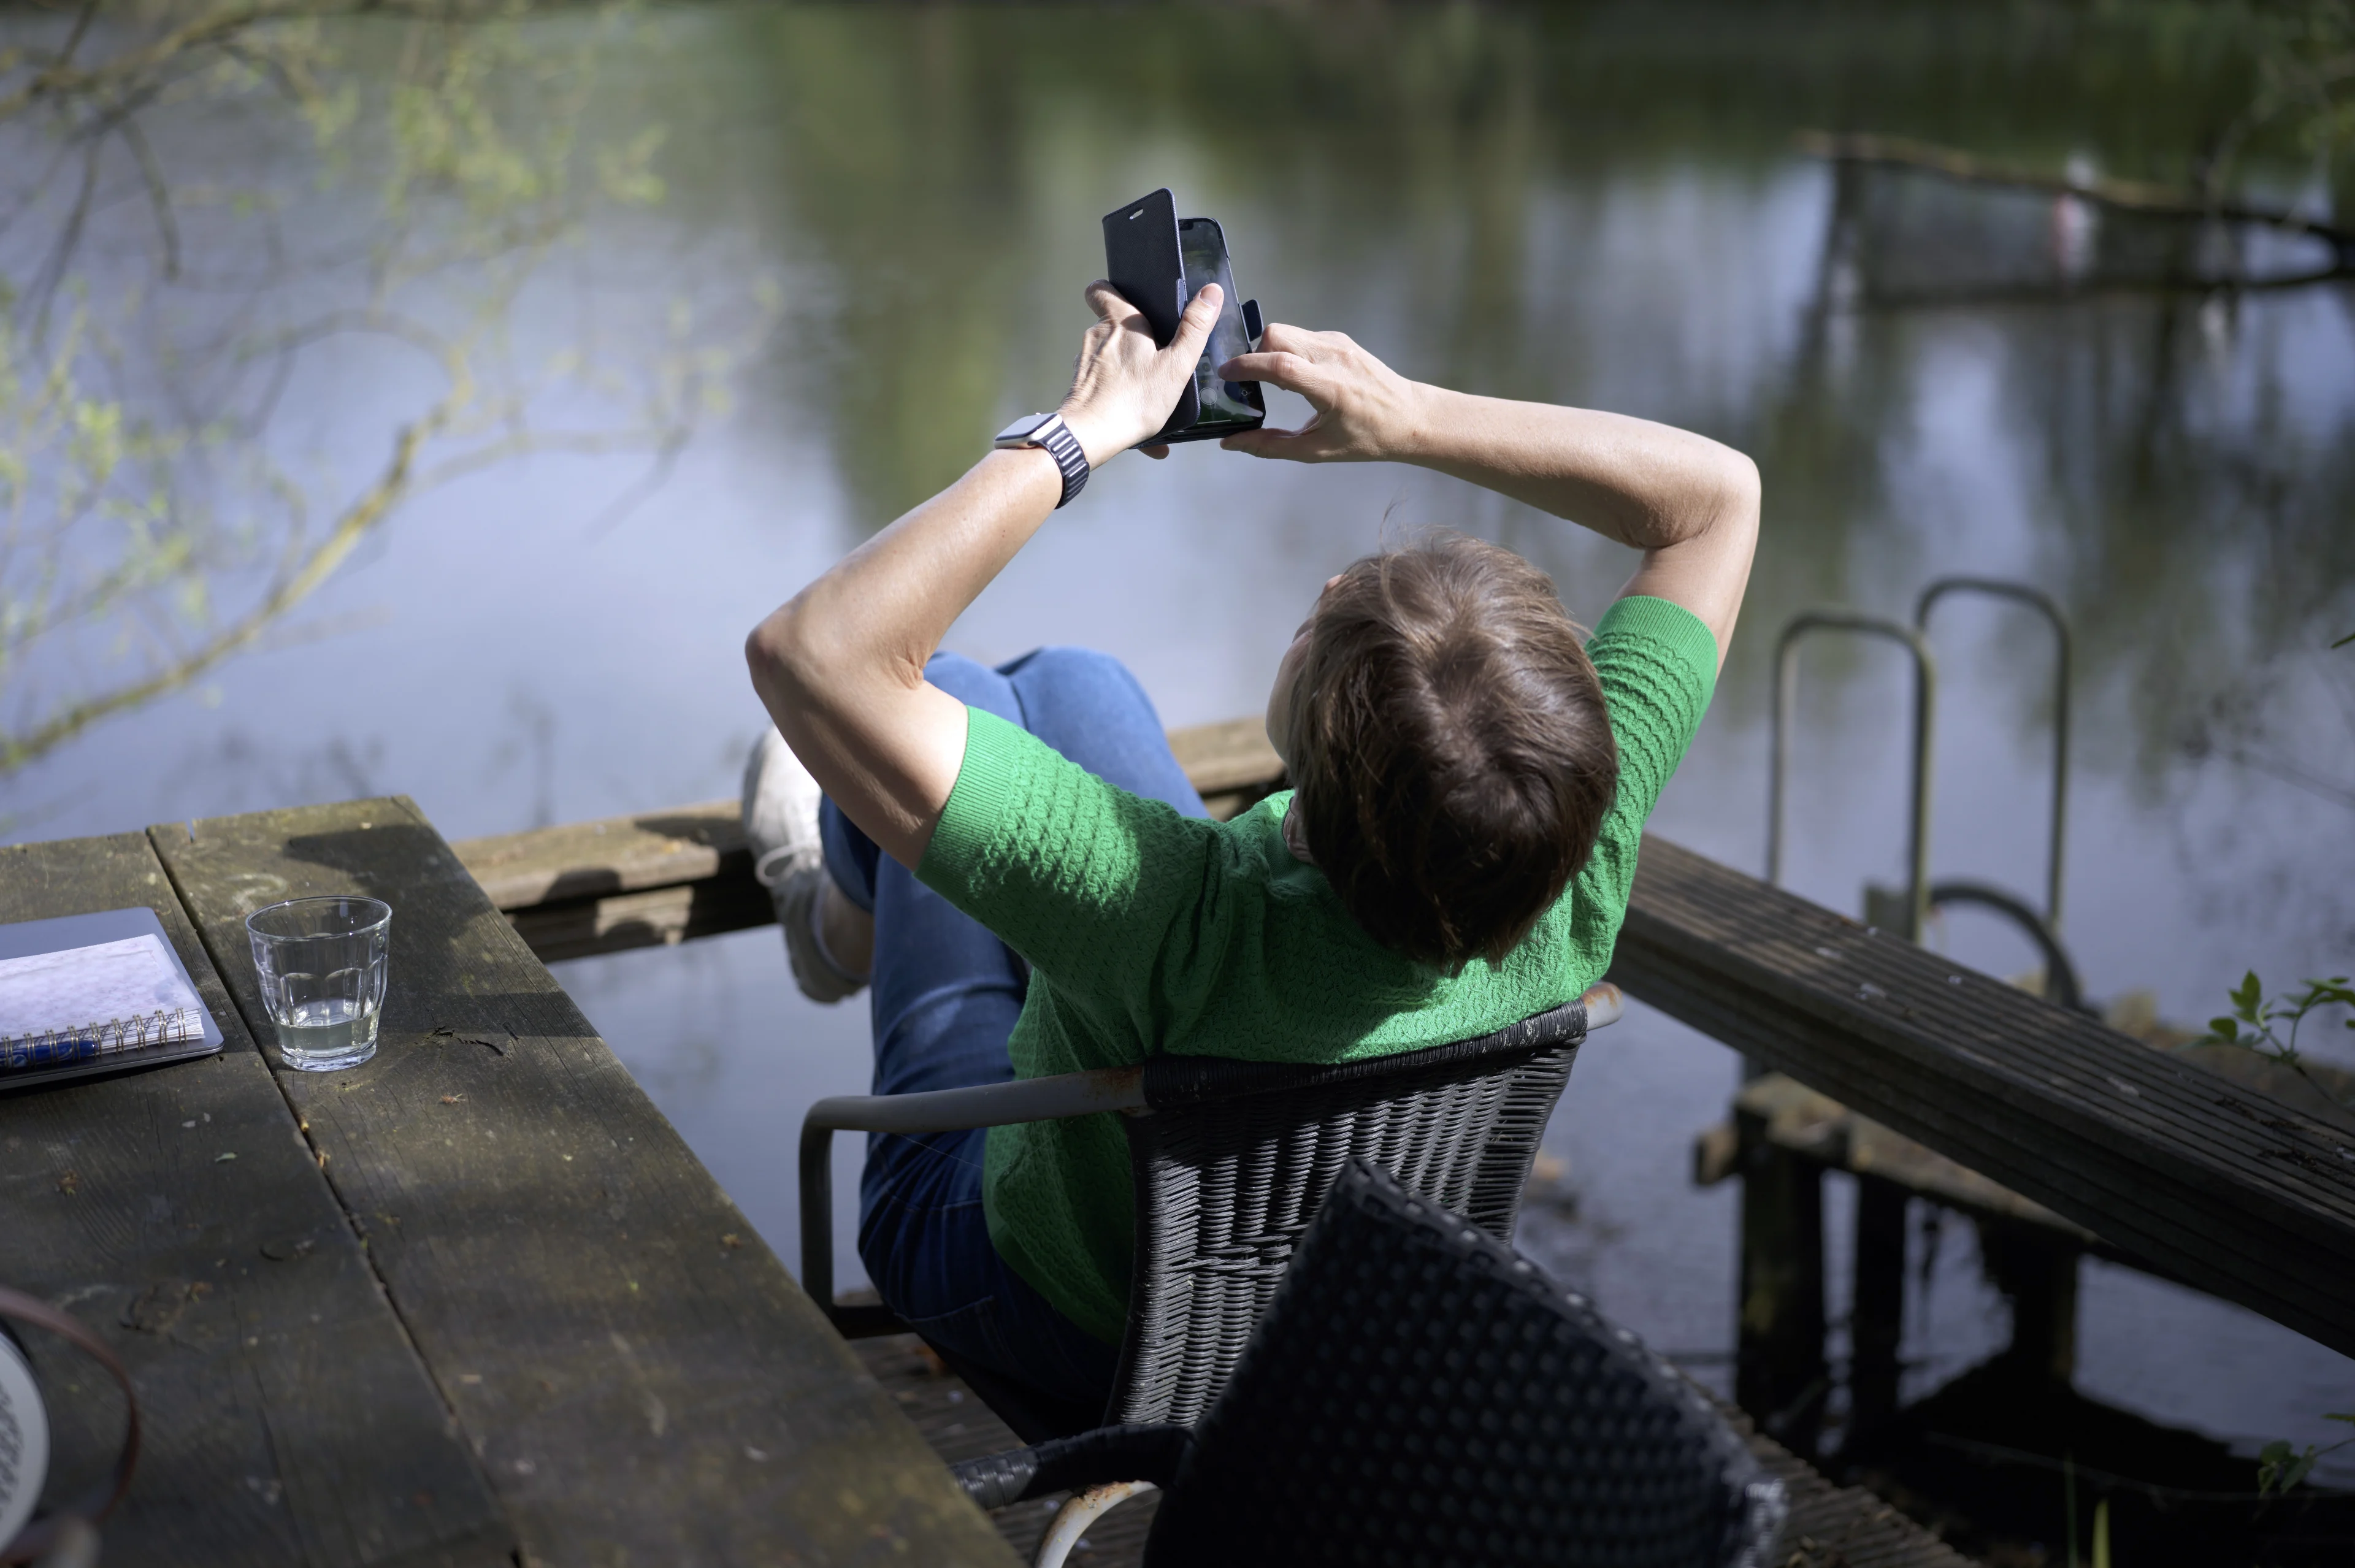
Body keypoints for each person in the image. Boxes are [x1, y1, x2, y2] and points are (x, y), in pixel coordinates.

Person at [742, 278, 1758, 1417]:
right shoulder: (1574, 851)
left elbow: (816, 655)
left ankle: (830, 925)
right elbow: (1718, 501)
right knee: (1076, 682)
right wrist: (1407, 413)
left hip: (1055, 1301)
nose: (1329, 588)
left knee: (950, 695)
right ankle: (851, 886)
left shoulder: (1172, 914)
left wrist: (1083, 435)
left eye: (1333, 623)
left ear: (1313, 800)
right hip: (1335, 1309)